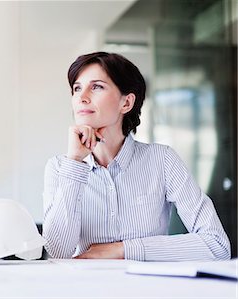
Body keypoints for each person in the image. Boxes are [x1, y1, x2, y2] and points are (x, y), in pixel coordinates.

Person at [42, 52, 231, 261]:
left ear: (126, 103)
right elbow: (58, 252)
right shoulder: (60, 167)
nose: (82, 97)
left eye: (96, 87)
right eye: (77, 88)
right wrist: (75, 162)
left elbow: (217, 245)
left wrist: (123, 249)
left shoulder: (163, 160)